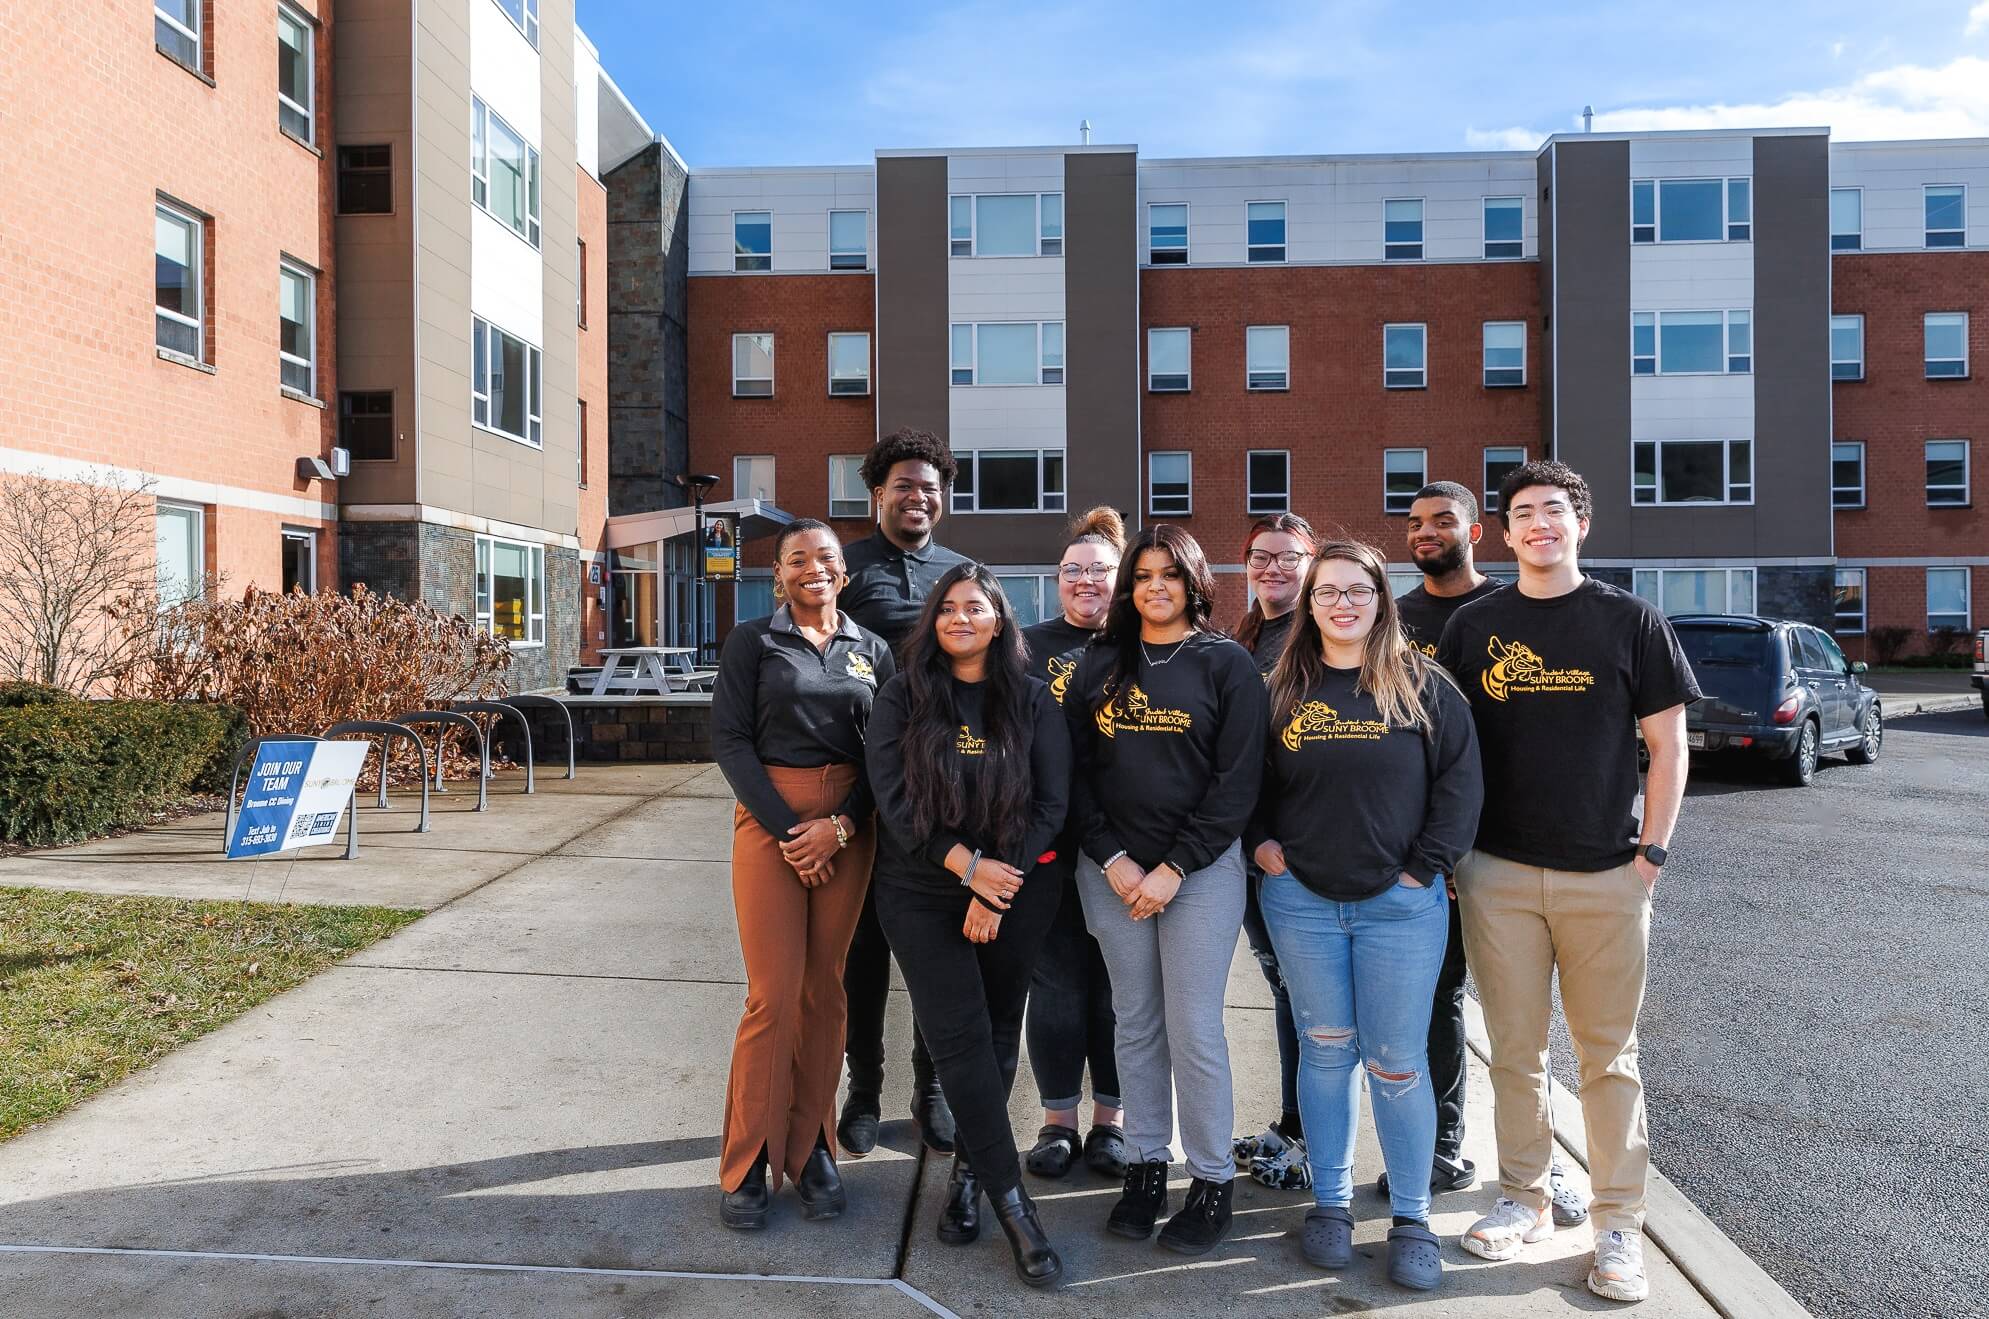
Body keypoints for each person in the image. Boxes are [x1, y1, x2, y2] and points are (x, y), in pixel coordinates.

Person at [1438, 461, 1699, 1304]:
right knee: (1513, 1052)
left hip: (1604, 875)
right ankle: (1522, 1196)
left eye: (1554, 510)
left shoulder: (1630, 621)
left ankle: (1617, 1222)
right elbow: (1442, 748)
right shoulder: (1474, 627)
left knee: (1606, 1057)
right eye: (1523, 513)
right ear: (1503, 534)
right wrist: (1451, 855)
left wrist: (1648, 857)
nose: (1539, 523)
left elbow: (1668, 746)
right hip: (1496, 872)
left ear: (1579, 524)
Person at [1248, 540, 1483, 1292]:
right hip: (1302, 902)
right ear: (1309, 603)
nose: (1342, 603)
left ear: (1382, 600)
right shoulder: (1279, 687)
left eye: (1357, 590)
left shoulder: (1423, 686)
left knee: (1395, 1058)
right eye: (1327, 592)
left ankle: (1412, 1217)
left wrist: (1424, 869)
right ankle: (1332, 1202)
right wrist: (1261, 846)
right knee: (1323, 1049)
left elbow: (1459, 784)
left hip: (1399, 906)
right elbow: (1241, 779)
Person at [865, 565, 1071, 1286]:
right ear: (934, 620)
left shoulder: (1032, 699)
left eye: (973, 606)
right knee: (956, 1035)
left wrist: (994, 884)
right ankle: (1017, 1210)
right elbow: (894, 801)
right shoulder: (904, 695)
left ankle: (965, 1177)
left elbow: (1050, 803)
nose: (959, 617)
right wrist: (966, 869)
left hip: (1015, 886)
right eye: (947, 607)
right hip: (920, 887)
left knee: (994, 1032)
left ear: (997, 619)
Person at [1392, 481, 1590, 1228]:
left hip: (1513, 847)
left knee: (1527, 1023)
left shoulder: (1511, 614)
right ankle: (1447, 1144)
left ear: (1479, 530)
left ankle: (1540, 1169)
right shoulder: (1394, 618)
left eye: (1441, 520)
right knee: (1438, 1002)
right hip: (1426, 854)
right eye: (1412, 523)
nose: (1424, 533)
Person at [1066, 524, 1267, 1256]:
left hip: (1199, 872)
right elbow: (1074, 773)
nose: (1155, 586)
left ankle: (1211, 1177)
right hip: (1110, 870)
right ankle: (1147, 1163)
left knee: (1194, 1026)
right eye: (1142, 574)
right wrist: (1113, 858)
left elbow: (1236, 782)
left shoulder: (1225, 665)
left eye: (1169, 574)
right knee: (1135, 1021)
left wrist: (1172, 866)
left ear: (1192, 582)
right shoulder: (1100, 662)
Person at [708, 519, 897, 1231]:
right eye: (797, 560)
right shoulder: (753, 641)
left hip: (847, 828)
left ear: (843, 571)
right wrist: (792, 831)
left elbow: (887, 751)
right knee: (772, 994)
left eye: (825, 558)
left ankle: (814, 1146)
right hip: (770, 823)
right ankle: (748, 1157)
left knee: (825, 991)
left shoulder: (872, 650)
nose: (812, 568)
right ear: (779, 575)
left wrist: (841, 825)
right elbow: (729, 738)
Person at [835, 429, 968, 1157]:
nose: (917, 497)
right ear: (877, 495)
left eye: (929, 487)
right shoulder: (846, 569)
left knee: (933, 951)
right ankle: (862, 1090)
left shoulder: (962, 572)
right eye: (903, 486)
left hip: (945, 790)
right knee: (865, 953)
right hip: (863, 787)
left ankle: (931, 1092)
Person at [1020, 507, 1127, 1182]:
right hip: (1049, 846)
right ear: (1056, 579)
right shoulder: (1025, 648)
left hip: (1125, 848)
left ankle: (1111, 1123)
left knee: (1117, 990)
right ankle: (1057, 1119)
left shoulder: (1144, 644)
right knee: (1055, 985)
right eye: (1072, 571)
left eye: (1099, 571)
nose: (1085, 582)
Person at [1228, 512, 1318, 1194]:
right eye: (1262, 556)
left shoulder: (1319, 638)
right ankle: (1293, 1124)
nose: (1273, 568)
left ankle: (1311, 1138)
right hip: (1249, 844)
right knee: (1283, 987)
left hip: (1298, 849)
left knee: (1309, 997)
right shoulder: (1244, 635)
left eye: (1288, 557)